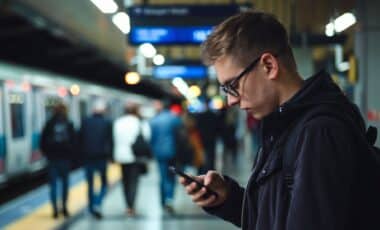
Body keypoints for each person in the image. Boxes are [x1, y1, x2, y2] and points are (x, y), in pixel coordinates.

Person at [180, 10, 380, 230]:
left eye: (233, 85)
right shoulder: (285, 126)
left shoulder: (319, 132)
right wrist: (229, 199)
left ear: (269, 65)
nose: (230, 100)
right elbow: (278, 217)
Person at [113, 103, 151, 217]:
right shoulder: (140, 122)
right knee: (134, 182)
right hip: (136, 157)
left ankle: (127, 205)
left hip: (121, 156)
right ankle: (131, 206)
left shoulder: (118, 122)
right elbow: (147, 138)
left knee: (125, 181)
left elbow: (115, 138)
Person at [40, 102, 76, 218]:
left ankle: (55, 210)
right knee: (65, 184)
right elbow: (74, 141)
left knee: (53, 185)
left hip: (52, 159)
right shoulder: (68, 123)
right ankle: (64, 208)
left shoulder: (49, 124)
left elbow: (42, 142)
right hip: (65, 159)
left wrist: (47, 154)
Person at [79, 99, 113, 219]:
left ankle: (91, 207)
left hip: (88, 158)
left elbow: (80, 139)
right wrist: (111, 157)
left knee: (90, 184)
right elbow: (110, 141)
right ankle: (98, 203)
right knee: (104, 183)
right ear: (103, 110)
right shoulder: (107, 122)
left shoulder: (85, 122)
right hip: (102, 158)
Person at [149, 100, 182, 214]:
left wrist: (152, 152)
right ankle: (170, 199)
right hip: (173, 152)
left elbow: (152, 139)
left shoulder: (154, 121)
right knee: (172, 176)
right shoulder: (175, 119)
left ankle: (163, 201)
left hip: (159, 153)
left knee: (163, 177)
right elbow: (180, 135)